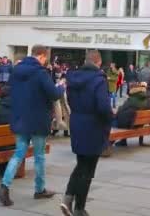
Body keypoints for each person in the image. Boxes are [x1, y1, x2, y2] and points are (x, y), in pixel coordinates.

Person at [0, 45, 65, 207]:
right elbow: (54, 94)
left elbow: (9, 91)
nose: (45, 61)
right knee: (39, 155)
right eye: (45, 58)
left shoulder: (17, 70)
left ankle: (4, 186)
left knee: (19, 153)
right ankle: (39, 189)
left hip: (20, 117)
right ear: (41, 56)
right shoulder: (40, 73)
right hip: (37, 119)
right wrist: (61, 86)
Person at [60, 50, 112, 216]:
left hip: (77, 121)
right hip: (94, 125)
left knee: (81, 164)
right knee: (88, 170)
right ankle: (79, 208)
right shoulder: (99, 79)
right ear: (98, 62)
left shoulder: (73, 77)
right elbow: (103, 106)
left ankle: (68, 198)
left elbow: (68, 100)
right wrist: (109, 119)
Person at [114, 82, 150, 147]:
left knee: (112, 122)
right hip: (139, 124)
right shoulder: (145, 99)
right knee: (124, 118)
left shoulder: (132, 100)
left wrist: (119, 109)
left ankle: (107, 144)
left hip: (130, 124)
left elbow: (120, 110)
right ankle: (123, 141)